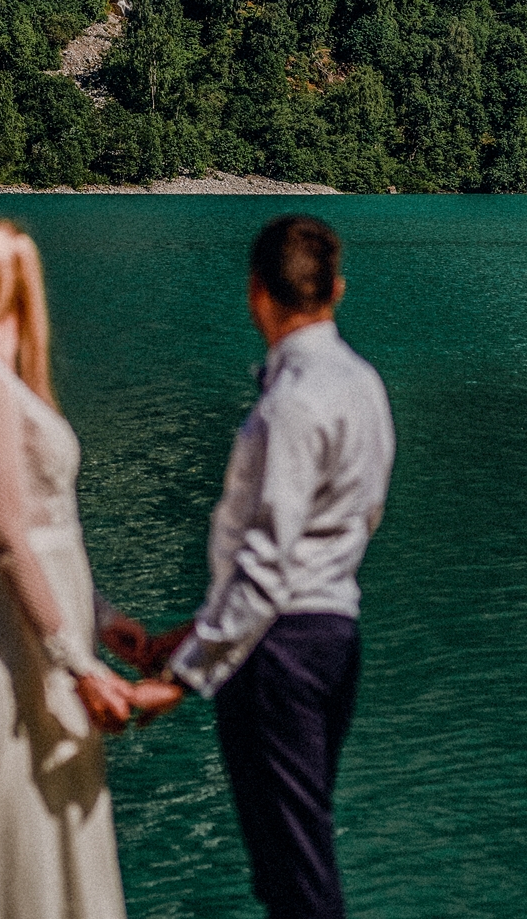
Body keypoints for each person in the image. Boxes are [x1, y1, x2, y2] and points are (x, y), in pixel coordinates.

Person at [0, 216, 179, 919]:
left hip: (30, 628)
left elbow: (42, 533)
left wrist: (100, 617)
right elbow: (9, 536)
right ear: (16, 285)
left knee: (26, 830)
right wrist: (77, 664)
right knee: (17, 833)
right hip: (16, 643)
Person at [130, 214, 395, 919]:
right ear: (335, 289)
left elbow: (269, 563)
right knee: (296, 853)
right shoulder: (364, 383)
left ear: (255, 293)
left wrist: (182, 677)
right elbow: (353, 522)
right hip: (334, 637)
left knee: (294, 874)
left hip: (277, 651)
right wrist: (198, 629)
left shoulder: (291, 405)